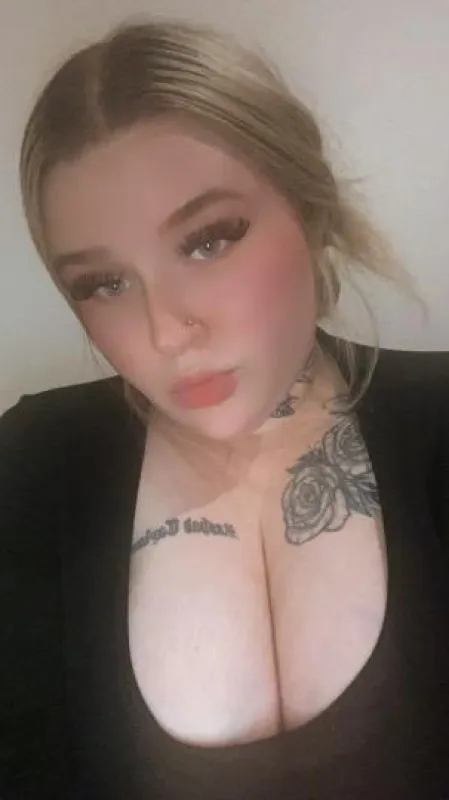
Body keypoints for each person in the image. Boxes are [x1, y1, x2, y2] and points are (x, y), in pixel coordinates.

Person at [1, 18, 448, 800]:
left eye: (208, 240)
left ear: (307, 205)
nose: (165, 331)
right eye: (103, 283)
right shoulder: (32, 468)